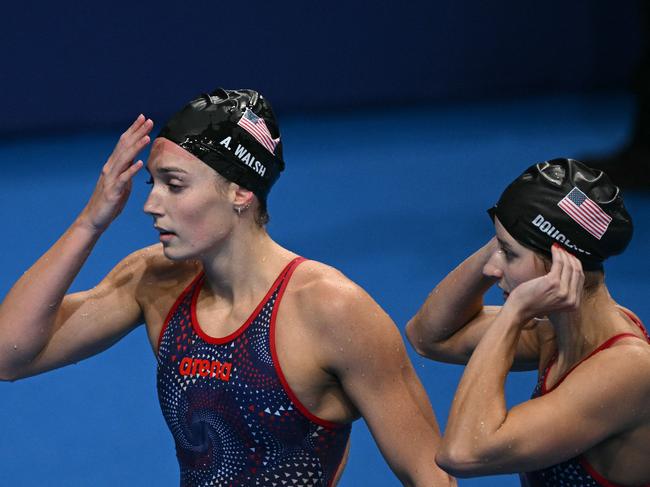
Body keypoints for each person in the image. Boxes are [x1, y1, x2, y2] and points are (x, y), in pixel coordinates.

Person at [0, 88, 452, 486]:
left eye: (173, 185)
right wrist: (90, 221)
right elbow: (9, 355)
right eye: (151, 183)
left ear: (239, 191)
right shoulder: (154, 281)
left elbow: (429, 476)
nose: (150, 204)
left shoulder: (331, 309)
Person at [406, 158, 650, 486]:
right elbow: (428, 336)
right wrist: (512, 228)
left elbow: (462, 453)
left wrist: (515, 312)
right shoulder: (559, 333)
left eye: (508, 253)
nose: (491, 269)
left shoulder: (627, 369)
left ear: (558, 265)